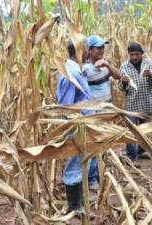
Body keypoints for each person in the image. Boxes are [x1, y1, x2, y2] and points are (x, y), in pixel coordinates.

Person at [56, 39, 97, 213]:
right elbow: (67, 106)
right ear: (80, 50)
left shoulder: (76, 69)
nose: (89, 52)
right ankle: (75, 205)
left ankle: (81, 200)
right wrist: (75, 127)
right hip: (76, 126)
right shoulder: (69, 72)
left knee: (82, 162)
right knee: (75, 163)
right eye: (87, 49)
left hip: (83, 125)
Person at [118, 42, 152, 160]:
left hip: (147, 102)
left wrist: (150, 75)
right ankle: (131, 156)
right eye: (132, 54)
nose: (134, 57)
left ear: (142, 54)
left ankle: (142, 151)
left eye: (137, 54)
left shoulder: (149, 64)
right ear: (129, 55)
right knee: (131, 130)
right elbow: (120, 88)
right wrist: (124, 82)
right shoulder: (124, 67)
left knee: (144, 128)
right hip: (132, 103)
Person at [83, 35, 121, 102]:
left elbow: (118, 76)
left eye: (103, 47)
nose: (102, 50)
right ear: (89, 50)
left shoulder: (105, 65)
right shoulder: (85, 69)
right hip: (96, 110)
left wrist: (108, 65)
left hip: (108, 108)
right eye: (99, 48)